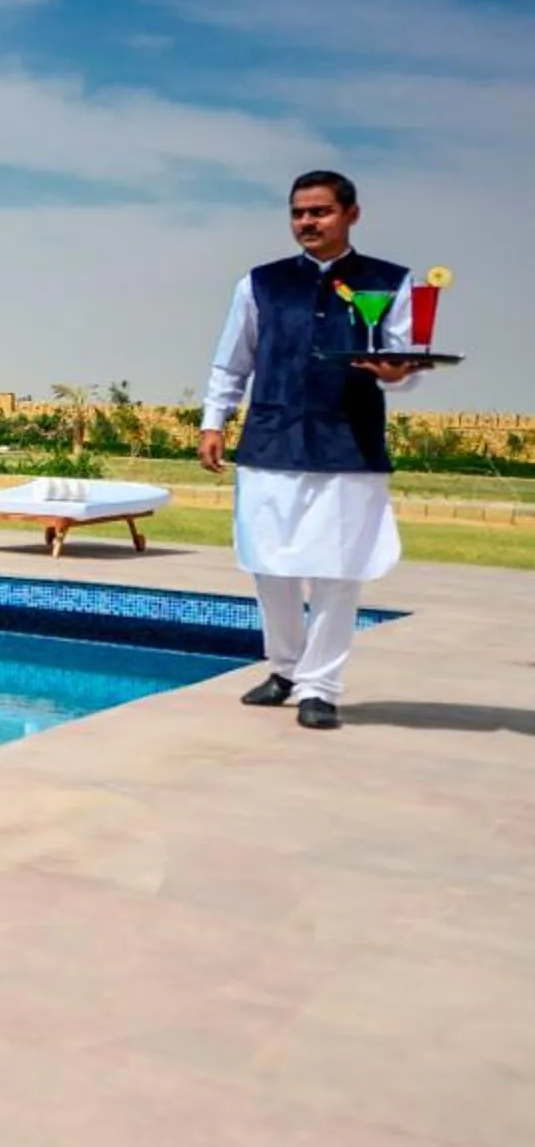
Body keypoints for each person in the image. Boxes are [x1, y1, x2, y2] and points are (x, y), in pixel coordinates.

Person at [198, 170, 420, 730]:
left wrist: (396, 373)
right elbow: (233, 359)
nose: (307, 222)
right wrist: (213, 420)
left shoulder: (390, 281)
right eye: (298, 212)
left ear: (351, 214)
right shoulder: (260, 283)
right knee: (269, 564)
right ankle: (285, 670)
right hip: (271, 439)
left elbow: (405, 366)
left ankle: (320, 686)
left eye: (319, 212)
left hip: (348, 445)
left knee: (338, 571)